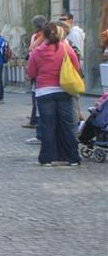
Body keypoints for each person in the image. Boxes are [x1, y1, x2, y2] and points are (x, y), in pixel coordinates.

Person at [26, 22, 81, 166]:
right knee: (67, 125)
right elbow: (76, 66)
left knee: (47, 125)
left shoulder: (37, 51)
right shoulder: (66, 48)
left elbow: (31, 72)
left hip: (44, 92)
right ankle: (72, 158)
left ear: (43, 35)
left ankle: (47, 159)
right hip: (64, 90)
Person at [23, 15, 47, 131]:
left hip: (38, 71)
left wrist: (29, 71)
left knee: (36, 95)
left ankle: (35, 119)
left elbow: (32, 53)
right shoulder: (50, 36)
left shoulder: (37, 36)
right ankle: (35, 118)